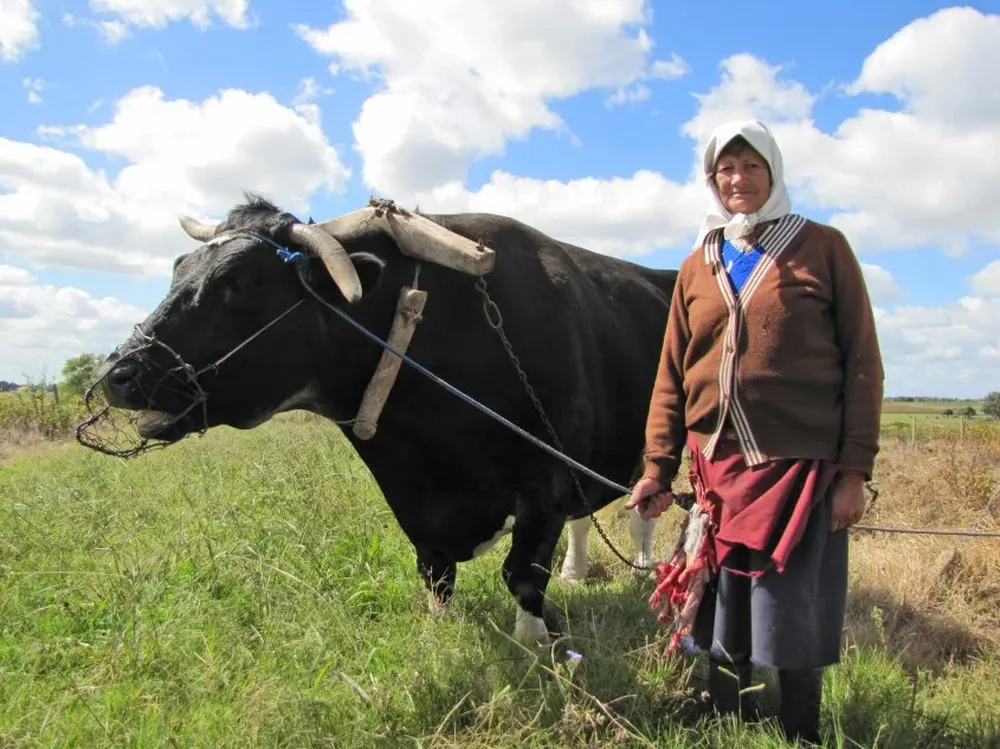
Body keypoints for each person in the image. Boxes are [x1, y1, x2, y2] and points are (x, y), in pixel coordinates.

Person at [625, 119, 884, 745]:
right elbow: (671, 373)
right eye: (726, 170)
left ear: (774, 173)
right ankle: (728, 723)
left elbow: (863, 363)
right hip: (715, 468)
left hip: (799, 466)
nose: (738, 179)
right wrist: (657, 467)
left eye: (751, 167)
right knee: (719, 603)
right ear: (712, 181)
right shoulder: (698, 263)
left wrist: (854, 471)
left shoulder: (823, 247)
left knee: (793, 607)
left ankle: (801, 732)